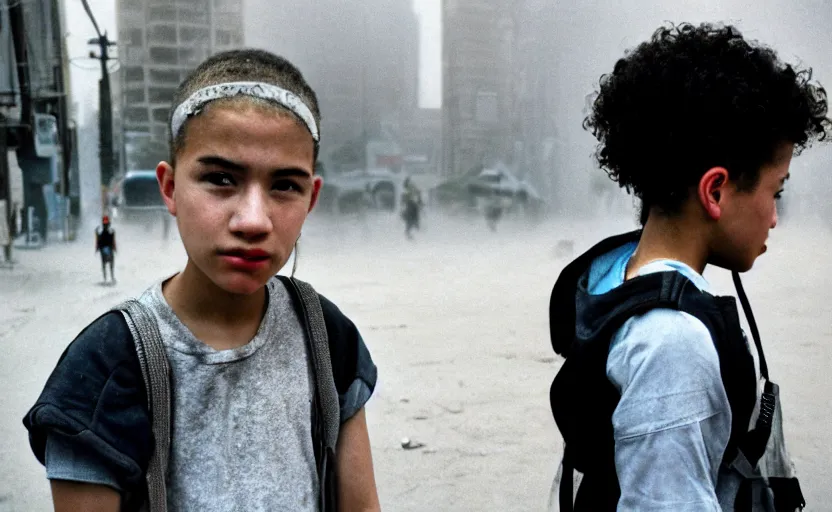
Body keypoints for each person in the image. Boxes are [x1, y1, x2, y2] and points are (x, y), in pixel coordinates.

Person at [24, 49, 380, 512]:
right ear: (170, 188)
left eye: (284, 186)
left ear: (311, 198)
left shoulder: (326, 338)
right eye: (220, 178)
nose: (253, 220)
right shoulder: (107, 368)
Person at [548, 23, 829, 511]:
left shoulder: (614, 274)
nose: (776, 218)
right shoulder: (671, 344)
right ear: (715, 191)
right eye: (775, 190)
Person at [95, 215, 116, 283]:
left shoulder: (109, 233)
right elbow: (99, 242)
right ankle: (106, 279)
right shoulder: (107, 233)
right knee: (107, 264)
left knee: (108, 264)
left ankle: (109, 278)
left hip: (107, 249)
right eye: (105, 224)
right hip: (105, 249)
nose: (106, 225)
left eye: (106, 224)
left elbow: (112, 241)